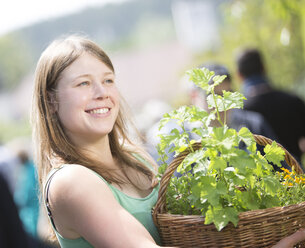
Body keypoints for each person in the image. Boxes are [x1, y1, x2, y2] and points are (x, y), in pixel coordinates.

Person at [31, 35, 305, 248]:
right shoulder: (71, 182)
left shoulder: (135, 158)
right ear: (51, 100)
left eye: (108, 79)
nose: (102, 92)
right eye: (83, 84)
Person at [236, 48, 305, 166]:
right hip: (296, 178)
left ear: (239, 75)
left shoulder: (239, 112)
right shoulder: (293, 100)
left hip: (260, 182)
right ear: (264, 68)